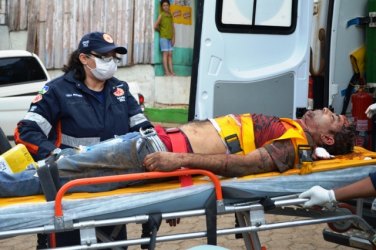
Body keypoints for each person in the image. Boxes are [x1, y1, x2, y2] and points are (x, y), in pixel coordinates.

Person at [2, 107, 355, 198]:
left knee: (56, 175)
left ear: (325, 138)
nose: (326, 109)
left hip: (156, 153)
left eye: (333, 117)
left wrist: (180, 162)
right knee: (60, 165)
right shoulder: (290, 128)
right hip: (152, 141)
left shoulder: (293, 146)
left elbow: (240, 165)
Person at [13, 31, 153, 248]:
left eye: (114, 58)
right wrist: (56, 155)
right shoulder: (57, 91)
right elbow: (26, 131)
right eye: (104, 57)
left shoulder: (120, 91)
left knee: (113, 245)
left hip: (113, 190)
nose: (111, 63)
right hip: (71, 192)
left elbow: (146, 133)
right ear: (84, 58)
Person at [299, 103, 376, 208]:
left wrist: (330, 196)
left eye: (332, 117)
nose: (325, 108)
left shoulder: (294, 143)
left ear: (327, 139)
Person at [154, 0, 175, 76]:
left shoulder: (170, 15)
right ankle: (167, 72)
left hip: (170, 38)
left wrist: (173, 38)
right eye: (164, 5)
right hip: (163, 38)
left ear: (169, 6)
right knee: (165, 54)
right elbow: (155, 26)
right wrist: (161, 31)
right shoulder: (161, 15)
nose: (165, 7)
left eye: (167, 5)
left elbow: (173, 28)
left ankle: (171, 71)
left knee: (170, 54)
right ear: (162, 7)